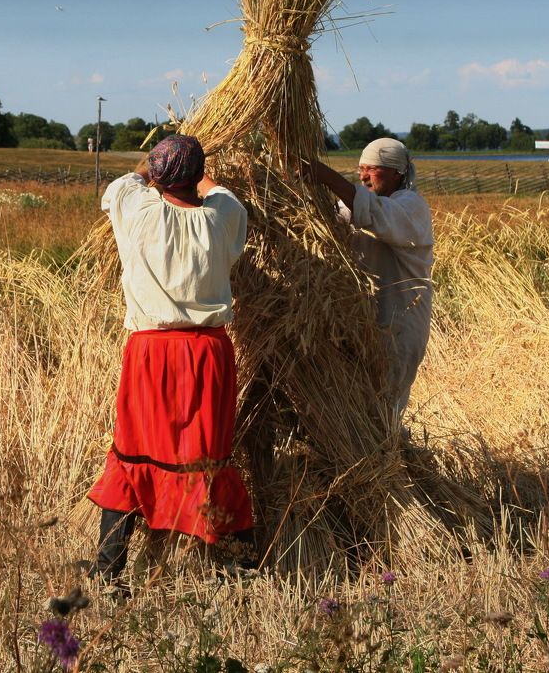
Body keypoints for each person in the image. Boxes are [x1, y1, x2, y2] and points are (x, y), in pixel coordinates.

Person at [87, 134, 256, 591]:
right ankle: (241, 566)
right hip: (208, 353)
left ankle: (109, 569)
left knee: (133, 451)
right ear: (198, 177)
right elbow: (218, 191)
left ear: (157, 177)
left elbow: (132, 179)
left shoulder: (135, 209)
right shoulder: (223, 218)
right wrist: (201, 166)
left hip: (151, 352)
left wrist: (157, 165)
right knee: (209, 455)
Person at [298, 138, 433, 425]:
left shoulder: (411, 207)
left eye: (371, 169)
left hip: (401, 325)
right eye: (360, 169)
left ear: (396, 172)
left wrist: (323, 174)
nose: (362, 176)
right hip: (368, 323)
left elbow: (373, 213)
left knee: (383, 410)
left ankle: (390, 464)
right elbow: (336, 216)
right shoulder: (369, 203)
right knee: (362, 409)